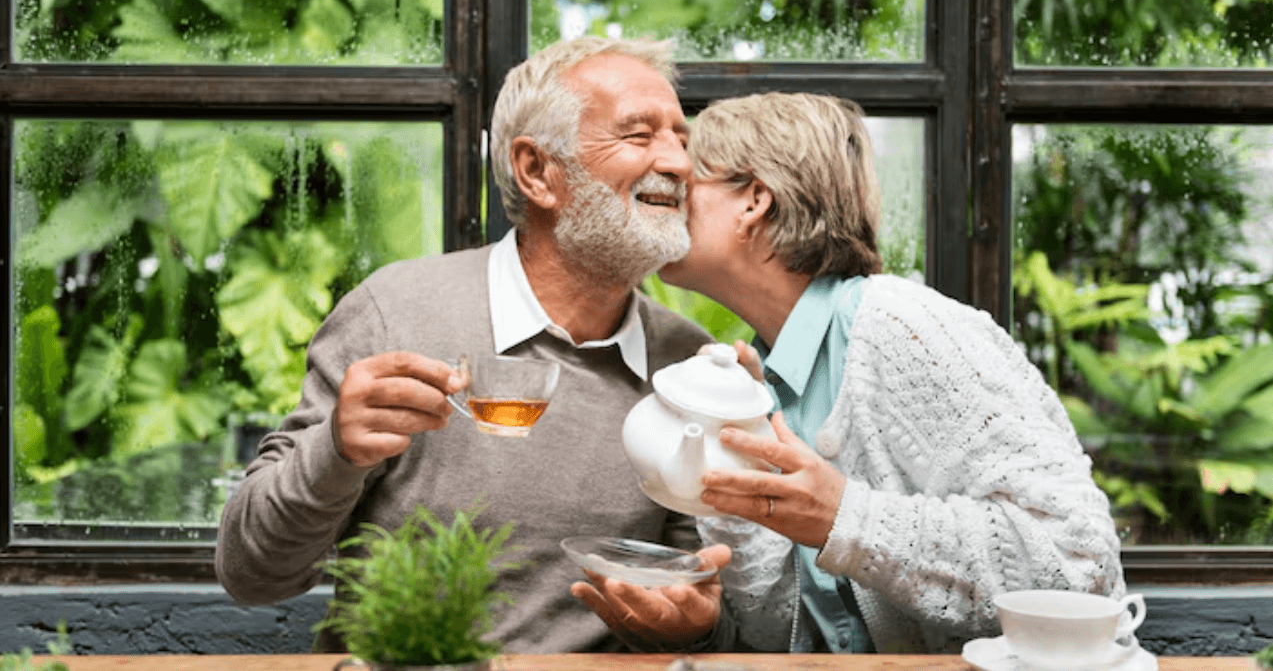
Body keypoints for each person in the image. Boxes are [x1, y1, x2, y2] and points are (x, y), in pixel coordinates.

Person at [214, 36, 730, 654]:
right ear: (537, 171)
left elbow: (695, 595)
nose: (677, 162)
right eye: (639, 136)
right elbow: (251, 572)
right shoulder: (397, 312)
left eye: (681, 136)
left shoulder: (690, 367)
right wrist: (334, 452)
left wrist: (690, 625)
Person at [572, 92, 1125, 654]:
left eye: (687, 183)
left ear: (754, 201)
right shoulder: (758, 380)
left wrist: (844, 516)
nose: (663, 200)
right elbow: (780, 635)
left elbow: (1079, 564)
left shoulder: (903, 326)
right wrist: (698, 621)